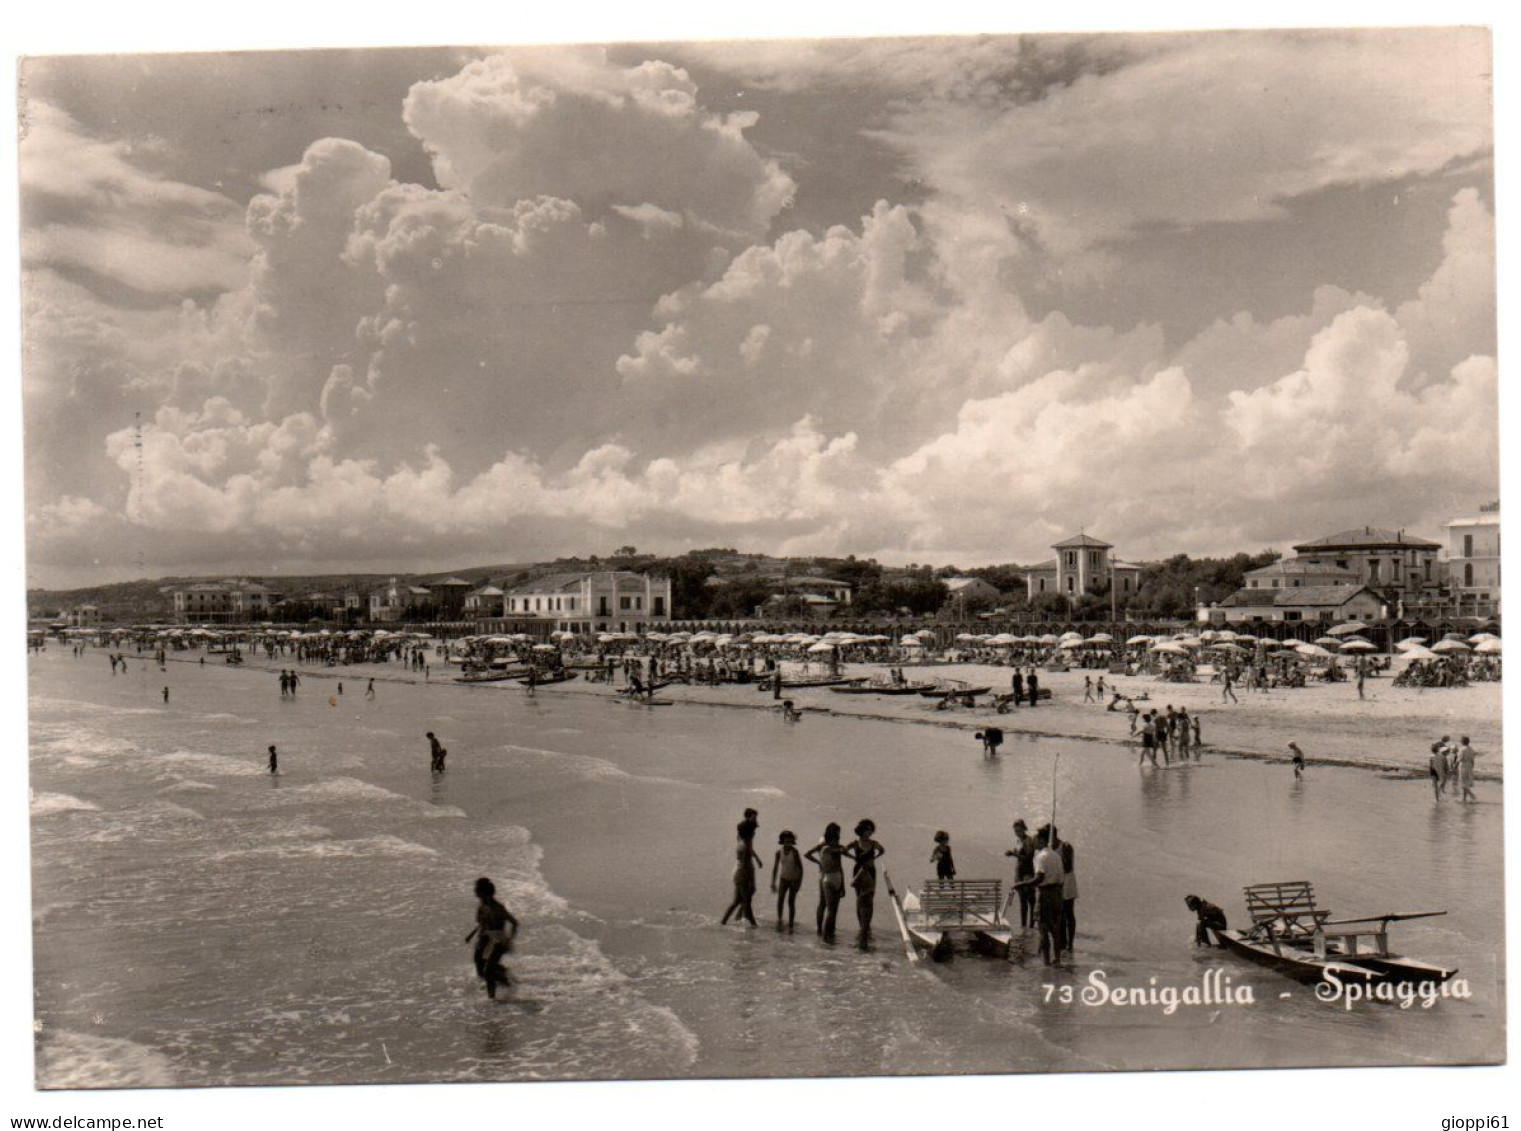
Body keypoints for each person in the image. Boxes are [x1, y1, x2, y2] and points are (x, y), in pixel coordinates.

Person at [1014, 827, 1065, 965]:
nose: (1034, 842)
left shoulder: (1040, 857)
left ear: (1042, 840)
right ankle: (1057, 959)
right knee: (1056, 930)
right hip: (1057, 893)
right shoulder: (1056, 856)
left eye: (1036, 839)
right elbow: (1061, 878)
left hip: (1045, 894)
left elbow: (1039, 878)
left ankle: (1046, 961)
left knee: (1043, 930)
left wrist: (1022, 884)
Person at [467, 877, 519, 999]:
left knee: (487, 971)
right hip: (485, 936)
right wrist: (472, 935)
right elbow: (482, 923)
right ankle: (501, 975)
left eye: (477, 891)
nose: (475, 893)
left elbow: (514, 923)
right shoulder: (482, 905)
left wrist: (509, 939)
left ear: (485, 893)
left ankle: (493, 998)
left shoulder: (498, 908)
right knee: (480, 968)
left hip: (499, 940)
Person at [844, 819, 885, 948]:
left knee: (869, 898)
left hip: (871, 871)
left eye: (870, 829)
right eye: (866, 829)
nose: (869, 832)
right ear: (861, 830)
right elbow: (844, 850)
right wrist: (853, 858)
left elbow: (882, 850)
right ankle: (862, 925)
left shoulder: (874, 843)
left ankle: (867, 926)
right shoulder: (856, 843)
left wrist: (874, 858)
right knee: (859, 899)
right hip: (858, 871)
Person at [805, 822, 846, 941]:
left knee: (827, 906)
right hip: (825, 874)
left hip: (829, 873)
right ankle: (822, 931)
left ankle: (827, 931)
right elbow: (809, 853)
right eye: (838, 833)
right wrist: (819, 863)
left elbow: (839, 861)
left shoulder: (831, 843)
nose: (839, 835)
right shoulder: (825, 843)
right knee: (826, 905)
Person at [721, 812, 763, 927]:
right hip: (742, 873)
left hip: (740, 872)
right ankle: (753, 924)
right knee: (746, 900)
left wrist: (757, 859)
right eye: (753, 832)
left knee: (738, 900)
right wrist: (749, 880)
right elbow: (745, 863)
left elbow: (750, 849)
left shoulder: (743, 840)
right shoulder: (745, 846)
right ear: (750, 833)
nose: (755, 833)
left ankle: (724, 922)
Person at [1004, 819, 1037, 928]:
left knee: (1031, 901)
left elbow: (1029, 857)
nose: (1017, 833)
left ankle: (1031, 926)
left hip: (1027, 872)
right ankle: (1023, 926)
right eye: (1015, 831)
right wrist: (1012, 853)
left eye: (1019, 830)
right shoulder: (1018, 840)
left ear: (1024, 829)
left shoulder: (1028, 840)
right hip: (1019, 872)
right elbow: (1018, 852)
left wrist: (1014, 854)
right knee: (1022, 901)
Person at [770, 830, 804, 931]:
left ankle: (791, 923)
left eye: (789, 841)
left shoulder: (795, 852)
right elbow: (775, 868)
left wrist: (799, 882)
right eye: (785, 841)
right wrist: (773, 882)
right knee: (780, 900)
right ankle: (780, 919)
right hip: (783, 879)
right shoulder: (778, 852)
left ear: (792, 841)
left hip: (794, 880)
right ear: (782, 841)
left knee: (791, 902)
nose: (787, 843)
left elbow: (800, 868)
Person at [1058, 835, 1077, 957]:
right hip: (1064, 880)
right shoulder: (1058, 848)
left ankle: (1069, 943)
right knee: (1063, 914)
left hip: (1067, 880)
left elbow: (1067, 865)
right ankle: (1064, 942)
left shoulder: (1065, 846)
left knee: (1067, 913)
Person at [1456, 736, 1478, 803]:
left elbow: (1459, 760)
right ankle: (1464, 799)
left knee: (1462, 783)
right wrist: (1472, 767)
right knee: (1466, 783)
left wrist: (1453, 768)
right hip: (1469, 766)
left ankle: (1472, 795)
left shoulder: (1462, 749)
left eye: (1461, 740)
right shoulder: (1471, 749)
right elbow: (1472, 760)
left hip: (1463, 766)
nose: (1460, 741)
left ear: (1462, 742)